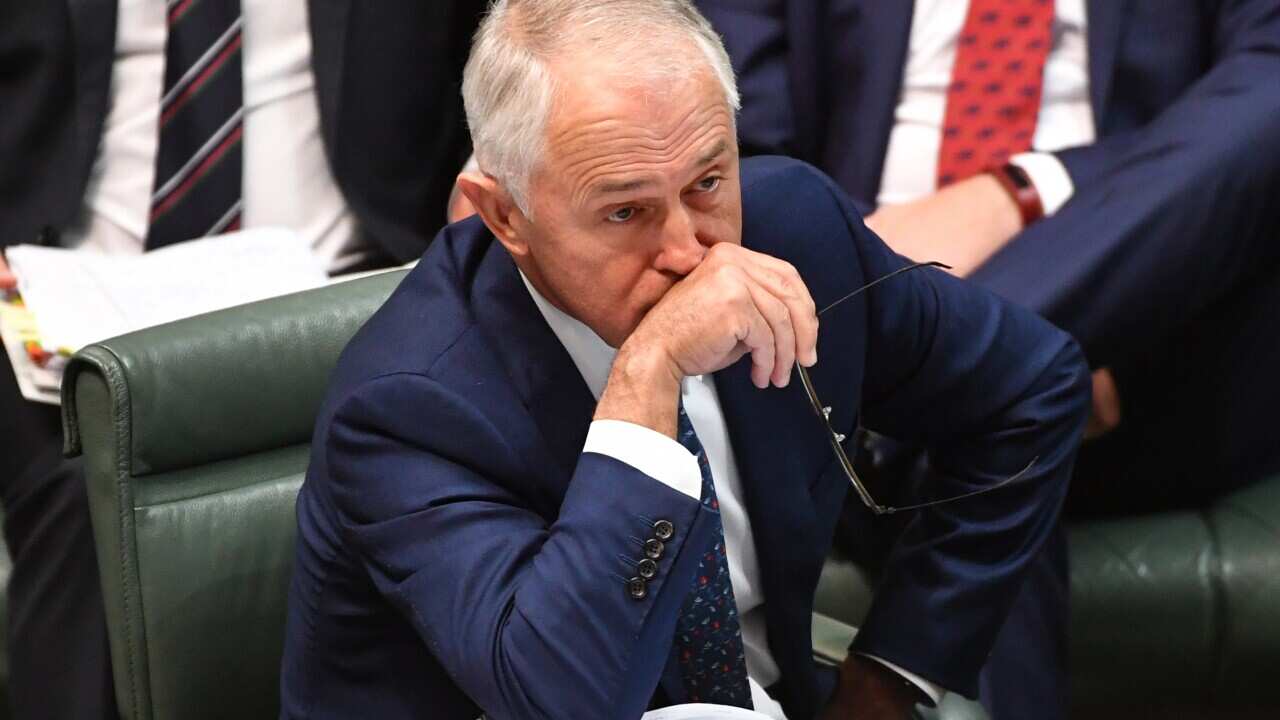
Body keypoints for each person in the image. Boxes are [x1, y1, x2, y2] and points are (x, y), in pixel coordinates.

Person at [280, 2, 1091, 719]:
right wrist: (649, 373)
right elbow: (562, 697)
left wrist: (888, 677)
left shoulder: (796, 229)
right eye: (626, 211)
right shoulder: (407, 406)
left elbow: (1033, 388)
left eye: (707, 183)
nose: (688, 251)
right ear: (505, 216)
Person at [0, 1, 485, 716]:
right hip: (63, 301)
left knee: (412, 467)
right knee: (89, 505)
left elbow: (533, 31)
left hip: (350, 290)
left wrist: (496, 171)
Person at [695, 0, 1280, 511]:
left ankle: (914, 399)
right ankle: (964, 379)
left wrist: (1026, 188)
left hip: (1146, 324)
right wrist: (856, 248)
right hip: (865, 271)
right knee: (1012, 417)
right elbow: (733, 129)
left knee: (991, 398)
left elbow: (1259, 98)